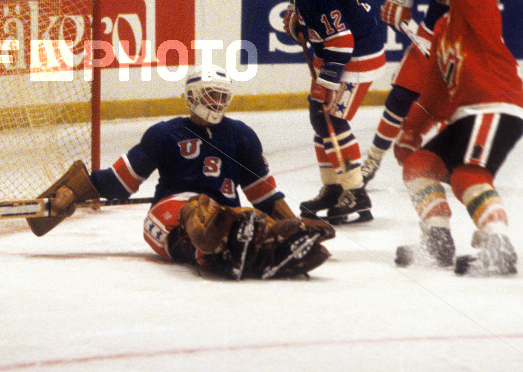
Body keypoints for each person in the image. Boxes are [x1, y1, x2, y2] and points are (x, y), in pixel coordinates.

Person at [76, 65, 333, 280]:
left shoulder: (241, 135)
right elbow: (119, 182)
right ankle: (215, 251)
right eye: (212, 95)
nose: (218, 103)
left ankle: (255, 258)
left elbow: (264, 194)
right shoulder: (165, 134)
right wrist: (73, 190)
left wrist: (291, 224)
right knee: (197, 205)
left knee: (251, 222)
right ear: (191, 97)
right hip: (169, 215)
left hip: (227, 217)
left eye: (223, 97)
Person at [393, 0, 523, 276]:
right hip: (468, 114)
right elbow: (435, 96)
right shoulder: (444, 31)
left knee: (469, 174)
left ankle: (499, 244)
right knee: (420, 163)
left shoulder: (477, 6)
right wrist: (409, 134)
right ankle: (437, 239)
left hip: (495, 105)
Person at [361, 0, 507, 187]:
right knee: (399, 100)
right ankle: (372, 159)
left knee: (455, 109)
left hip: (461, 46)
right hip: (428, 37)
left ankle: (450, 160)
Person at [253, 0, 386, 225]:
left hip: (356, 55)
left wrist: (326, 85)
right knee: (319, 119)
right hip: (339, 51)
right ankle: (334, 187)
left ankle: (356, 191)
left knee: (332, 120)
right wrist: (295, 12)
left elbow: (342, 43)